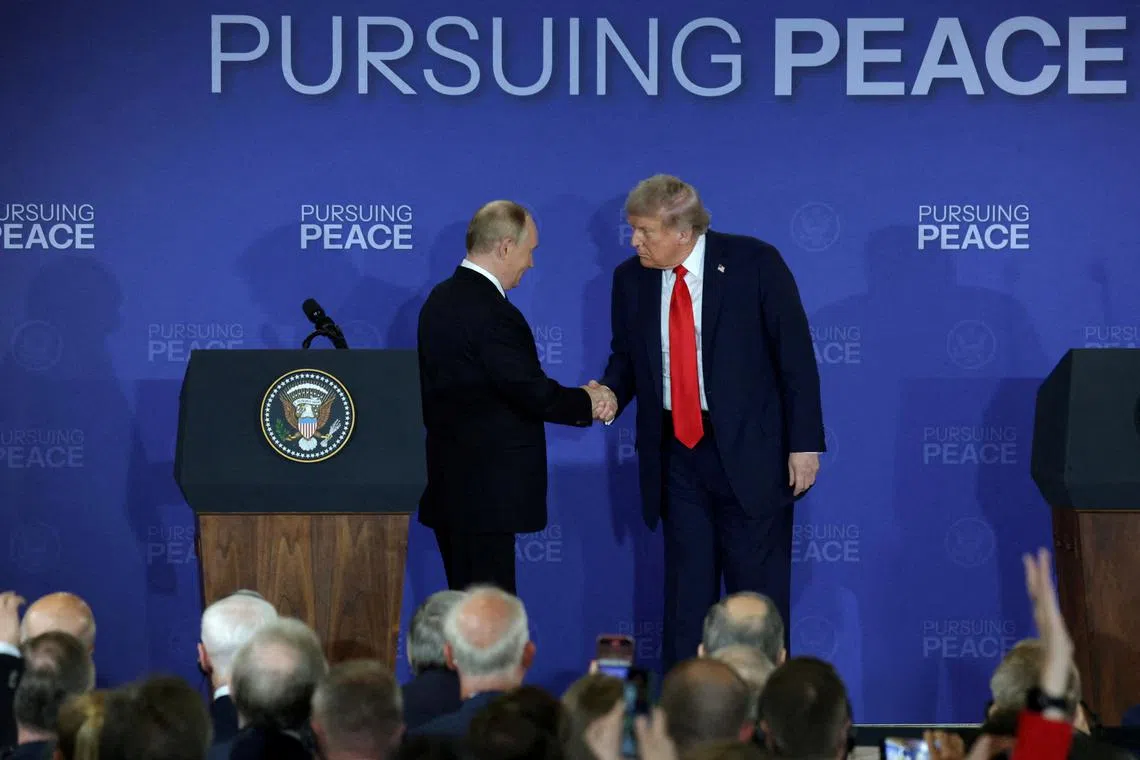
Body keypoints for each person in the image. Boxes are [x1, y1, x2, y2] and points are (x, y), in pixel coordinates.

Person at [591, 174, 824, 669]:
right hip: (677, 457)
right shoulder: (629, 280)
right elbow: (627, 359)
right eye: (632, 230)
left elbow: (796, 358)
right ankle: (683, 721)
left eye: (644, 231)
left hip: (752, 457)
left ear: (682, 231)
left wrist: (805, 445)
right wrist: (608, 391)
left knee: (756, 604)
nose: (634, 241)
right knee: (686, 601)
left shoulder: (755, 263)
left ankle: (763, 718)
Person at [417, 200, 610, 594]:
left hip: (453, 492)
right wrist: (589, 402)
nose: (531, 263)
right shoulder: (491, 311)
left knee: (464, 613)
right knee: (488, 621)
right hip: (486, 499)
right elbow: (529, 390)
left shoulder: (440, 299)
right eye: (529, 250)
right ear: (506, 247)